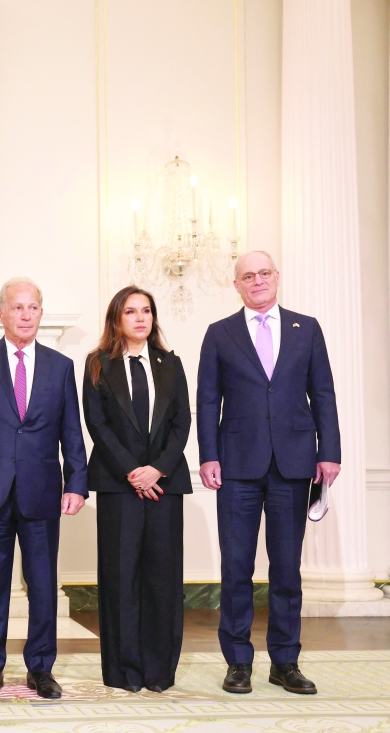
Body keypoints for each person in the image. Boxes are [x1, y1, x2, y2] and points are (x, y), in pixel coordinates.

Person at [197, 250, 340, 695]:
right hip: (237, 464)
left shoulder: (307, 328)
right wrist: (208, 455)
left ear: (276, 278)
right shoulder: (219, 334)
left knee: (286, 568)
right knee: (236, 566)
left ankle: (285, 661)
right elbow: (206, 400)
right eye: (247, 276)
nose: (256, 281)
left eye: (263, 273)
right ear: (236, 285)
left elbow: (324, 393)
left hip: (294, 463)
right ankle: (238, 662)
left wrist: (329, 452)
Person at [0, 277, 87, 700]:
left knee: (43, 584)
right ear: (1, 314)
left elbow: (71, 431)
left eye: (33, 308)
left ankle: (40, 668)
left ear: (41, 314)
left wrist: (77, 481)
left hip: (42, 490)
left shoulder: (61, 366)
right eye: (18, 307)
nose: (26, 315)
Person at [82, 286, 191, 693]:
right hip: (118, 485)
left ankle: (159, 672)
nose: (140, 318)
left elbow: (182, 423)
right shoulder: (98, 364)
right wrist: (133, 471)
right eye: (131, 311)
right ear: (117, 319)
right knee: (120, 578)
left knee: (162, 580)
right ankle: (124, 672)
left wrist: (157, 470)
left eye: (146, 311)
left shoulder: (171, 363)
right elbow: (98, 426)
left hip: (165, 486)